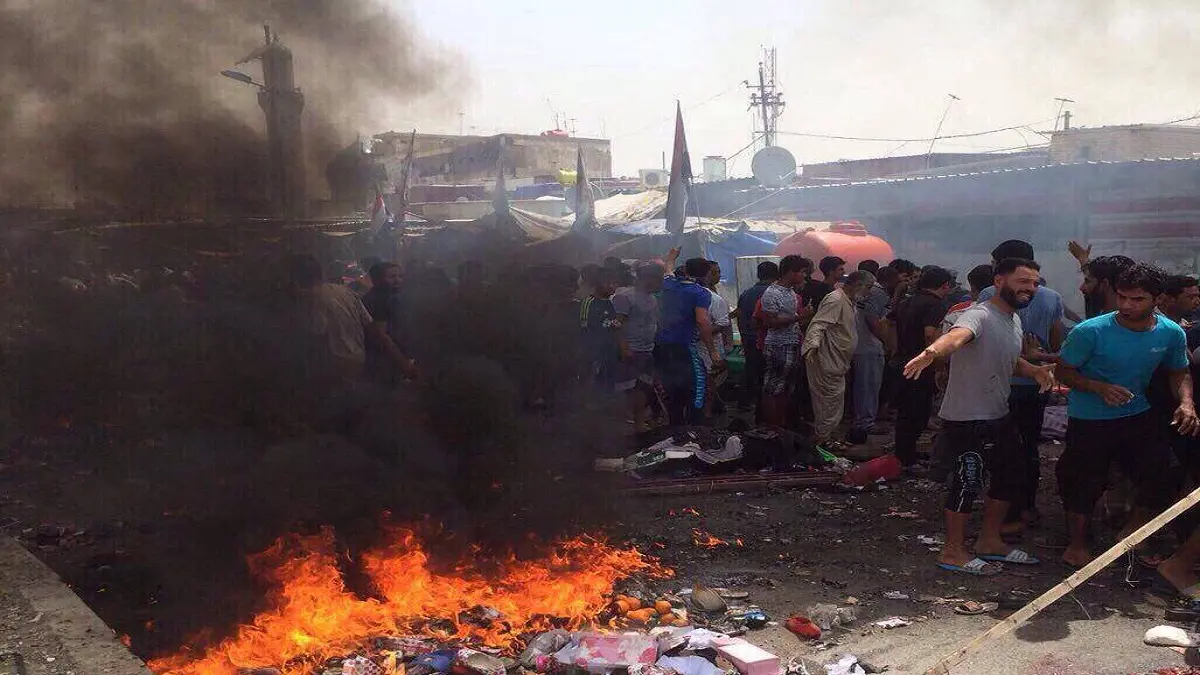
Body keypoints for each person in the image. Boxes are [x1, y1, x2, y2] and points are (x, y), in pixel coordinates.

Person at [903, 258, 1055, 576]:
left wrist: (1034, 370)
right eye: (1023, 281)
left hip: (998, 413)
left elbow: (1007, 358)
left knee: (1010, 476)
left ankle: (989, 541)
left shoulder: (1012, 319)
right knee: (968, 481)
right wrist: (931, 353)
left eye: (1034, 283)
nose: (1030, 288)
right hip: (968, 417)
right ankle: (953, 551)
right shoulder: (978, 314)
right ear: (999, 281)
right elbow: (957, 337)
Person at [1055, 263, 1199, 568]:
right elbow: (1063, 371)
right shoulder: (1090, 331)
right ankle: (1077, 544)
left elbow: (1179, 371)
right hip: (1090, 418)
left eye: (1137, 299)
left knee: (1163, 474)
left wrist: (1186, 403)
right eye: (1122, 297)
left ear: (1157, 299)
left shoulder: (1171, 333)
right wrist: (1097, 387)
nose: (1126, 305)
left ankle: (1131, 536)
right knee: (1083, 480)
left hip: (1137, 413)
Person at [976, 240, 1066, 531]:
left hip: (1002, 382)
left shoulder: (989, 294)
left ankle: (1007, 512)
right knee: (1028, 445)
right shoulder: (1051, 297)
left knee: (1002, 448)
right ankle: (1027, 506)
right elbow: (1057, 338)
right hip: (1035, 383)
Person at [803, 270, 873, 451]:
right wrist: (812, 346)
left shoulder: (848, 301)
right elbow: (818, 324)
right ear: (858, 285)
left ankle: (827, 438)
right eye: (868, 287)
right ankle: (822, 441)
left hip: (838, 361)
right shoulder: (835, 299)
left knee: (834, 403)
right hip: (826, 360)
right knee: (827, 403)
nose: (869, 292)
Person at [891, 266, 954, 466]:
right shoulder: (935, 305)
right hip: (921, 366)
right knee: (917, 414)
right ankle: (906, 459)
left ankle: (904, 454)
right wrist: (937, 363)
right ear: (945, 285)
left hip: (902, 361)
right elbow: (930, 334)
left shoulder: (907, 302)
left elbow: (886, 323)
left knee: (905, 413)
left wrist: (895, 348)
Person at [288, 254, 377, 383]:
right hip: (357, 357)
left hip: (332, 365)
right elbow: (369, 323)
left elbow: (317, 332)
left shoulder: (310, 298)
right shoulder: (345, 291)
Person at [656, 251, 721, 426]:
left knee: (672, 387)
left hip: (662, 345)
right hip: (684, 346)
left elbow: (668, 270)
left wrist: (671, 257)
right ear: (707, 274)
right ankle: (695, 426)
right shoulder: (700, 293)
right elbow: (702, 321)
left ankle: (676, 426)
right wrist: (713, 351)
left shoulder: (669, 284)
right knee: (697, 385)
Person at [758, 255, 810, 428]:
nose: (804, 276)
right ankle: (771, 426)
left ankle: (780, 425)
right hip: (778, 345)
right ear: (791, 272)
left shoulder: (791, 292)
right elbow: (770, 322)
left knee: (786, 388)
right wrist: (798, 317)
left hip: (791, 343)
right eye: (802, 272)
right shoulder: (772, 293)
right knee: (773, 387)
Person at [847, 266, 895, 444]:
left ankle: (862, 420)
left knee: (863, 386)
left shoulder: (857, 296)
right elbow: (874, 321)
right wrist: (888, 343)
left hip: (858, 345)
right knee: (868, 386)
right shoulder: (878, 293)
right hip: (869, 347)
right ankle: (865, 422)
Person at [613, 263, 663, 433]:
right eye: (658, 280)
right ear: (646, 278)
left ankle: (638, 424)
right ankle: (620, 426)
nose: (660, 284)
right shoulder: (625, 297)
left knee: (643, 387)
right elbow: (617, 325)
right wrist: (624, 348)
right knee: (625, 388)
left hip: (646, 350)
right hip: (630, 350)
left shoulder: (653, 299)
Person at [360, 262, 418, 385]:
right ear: (380, 279)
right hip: (381, 361)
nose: (397, 280)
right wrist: (404, 364)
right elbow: (382, 336)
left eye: (400, 276)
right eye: (392, 277)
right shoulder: (377, 299)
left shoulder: (395, 297)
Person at [736, 261, 779, 417]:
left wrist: (743, 334)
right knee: (767, 372)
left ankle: (744, 402)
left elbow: (740, 316)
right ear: (777, 275)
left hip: (748, 336)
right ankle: (763, 407)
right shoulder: (774, 294)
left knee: (750, 368)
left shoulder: (746, 293)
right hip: (766, 338)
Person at [701, 261, 733, 417]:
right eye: (715, 272)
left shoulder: (715, 293)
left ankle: (714, 406)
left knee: (713, 379)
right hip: (707, 346)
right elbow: (721, 324)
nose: (718, 276)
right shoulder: (708, 297)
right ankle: (707, 414)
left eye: (719, 272)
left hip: (716, 343)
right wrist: (702, 333)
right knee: (709, 378)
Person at [580, 266, 620, 386]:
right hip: (594, 356)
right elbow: (584, 329)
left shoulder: (609, 302)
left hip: (609, 354)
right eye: (608, 283)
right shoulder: (588, 303)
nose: (612, 286)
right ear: (597, 283)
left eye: (615, 283)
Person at [1079, 254, 1135, 318]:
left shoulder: (1098, 323)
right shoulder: (1139, 319)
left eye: (1087, 281)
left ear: (1105, 284)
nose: (1081, 288)